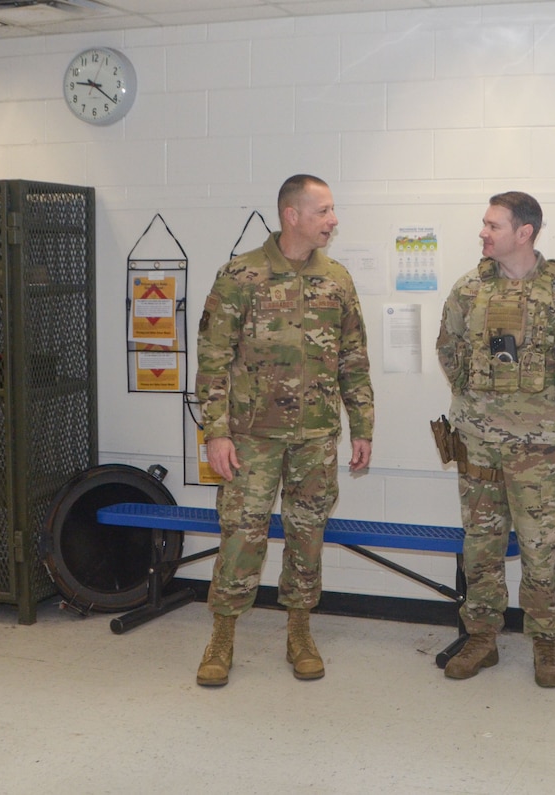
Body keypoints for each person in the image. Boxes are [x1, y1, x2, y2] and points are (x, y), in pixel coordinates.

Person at [194, 174, 374, 687]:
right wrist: (216, 432)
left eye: (333, 210)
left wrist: (362, 425)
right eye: (324, 211)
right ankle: (222, 636)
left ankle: (299, 631)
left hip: (316, 436)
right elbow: (212, 359)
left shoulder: (337, 278)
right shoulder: (240, 275)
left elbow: (354, 360)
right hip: (251, 436)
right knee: (241, 535)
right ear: (292, 215)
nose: (333, 220)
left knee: (307, 535)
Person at [435, 191, 555, 688]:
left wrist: (548, 410)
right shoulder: (468, 289)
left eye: (493, 225)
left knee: (541, 547)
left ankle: (546, 643)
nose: (483, 233)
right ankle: (481, 638)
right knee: (482, 546)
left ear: (524, 233)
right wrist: (478, 408)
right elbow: (449, 350)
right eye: (484, 225)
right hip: (478, 441)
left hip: (540, 448)